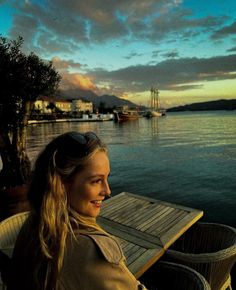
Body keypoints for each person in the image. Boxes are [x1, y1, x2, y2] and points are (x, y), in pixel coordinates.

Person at [7, 131, 147, 290]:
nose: (107, 191)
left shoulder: (34, 225)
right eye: (96, 181)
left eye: (106, 178)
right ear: (61, 184)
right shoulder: (89, 249)